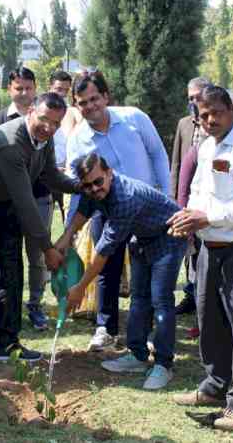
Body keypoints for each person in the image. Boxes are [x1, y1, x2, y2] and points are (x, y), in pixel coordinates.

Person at [0, 92, 79, 379]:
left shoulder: (44, 141)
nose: (49, 128)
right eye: (44, 119)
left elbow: (50, 177)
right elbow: (26, 202)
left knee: (12, 273)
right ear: (31, 110)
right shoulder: (10, 143)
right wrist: (48, 249)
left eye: (56, 124)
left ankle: (6, 343)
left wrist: (80, 186)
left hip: (4, 203)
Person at [168, 84, 233, 430]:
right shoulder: (207, 146)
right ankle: (214, 385)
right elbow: (199, 191)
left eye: (216, 113)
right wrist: (188, 218)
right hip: (209, 248)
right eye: (203, 115)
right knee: (209, 319)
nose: (209, 120)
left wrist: (208, 218)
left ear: (232, 109)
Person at [57, 152, 186, 390]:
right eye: (88, 185)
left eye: (98, 182)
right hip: (142, 237)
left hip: (168, 238)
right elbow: (83, 210)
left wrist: (80, 288)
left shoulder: (125, 197)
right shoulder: (92, 190)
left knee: (161, 302)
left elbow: (103, 253)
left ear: (109, 173)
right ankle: (137, 356)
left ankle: (163, 365)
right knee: (138, 299)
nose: (95, 189)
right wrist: (65, 238)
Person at [66, 71, 171, 351]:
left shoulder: (134, 118)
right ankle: (106, 327)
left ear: (105, 96)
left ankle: (147, 331)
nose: (89, 107)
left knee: (144, 272)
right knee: (107, 268)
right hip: (105, 209)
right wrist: (69, 232)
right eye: (82, 102)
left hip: (145, 209)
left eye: (94, 99)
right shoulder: (78, 139)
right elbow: (80, 191)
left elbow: (158, 154)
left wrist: (166, 193)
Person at [0, 67, 55, 331]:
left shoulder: (48, 121)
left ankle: (35, 306)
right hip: (5, 202)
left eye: (28, 88)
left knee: (36, 256)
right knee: (5, 257)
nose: (24, 93)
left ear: (35, 88)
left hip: (38, 197)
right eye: (18, 88)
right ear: (9, 89)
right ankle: (5, 307)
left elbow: (51, 169)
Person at [169, 77, 211, 317]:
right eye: (191, 98)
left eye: (198, 95)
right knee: (188, 248)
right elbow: (176, 163)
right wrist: (176, 200)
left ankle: (205, 296)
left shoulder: (218, 121)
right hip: (187, 196)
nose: (194, 101)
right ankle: (191, 294)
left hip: (210, 197)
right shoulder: (185, 124)